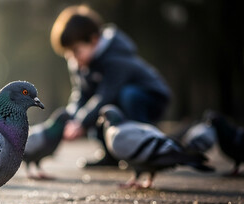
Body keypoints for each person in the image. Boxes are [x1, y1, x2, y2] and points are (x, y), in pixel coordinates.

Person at [50, 5, 171, 167]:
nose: (72, 59)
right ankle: (111, 154)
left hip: (149, 98)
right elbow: (81, 95)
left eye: (76, 51)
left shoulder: (116, 57)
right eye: (67, 54)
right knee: (98, 112)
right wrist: (73, 119)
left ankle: (145, 148)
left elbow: (106, 94)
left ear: (93, 40)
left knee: (124, 97)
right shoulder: (79, 64)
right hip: (116, 100)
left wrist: (82, 122)